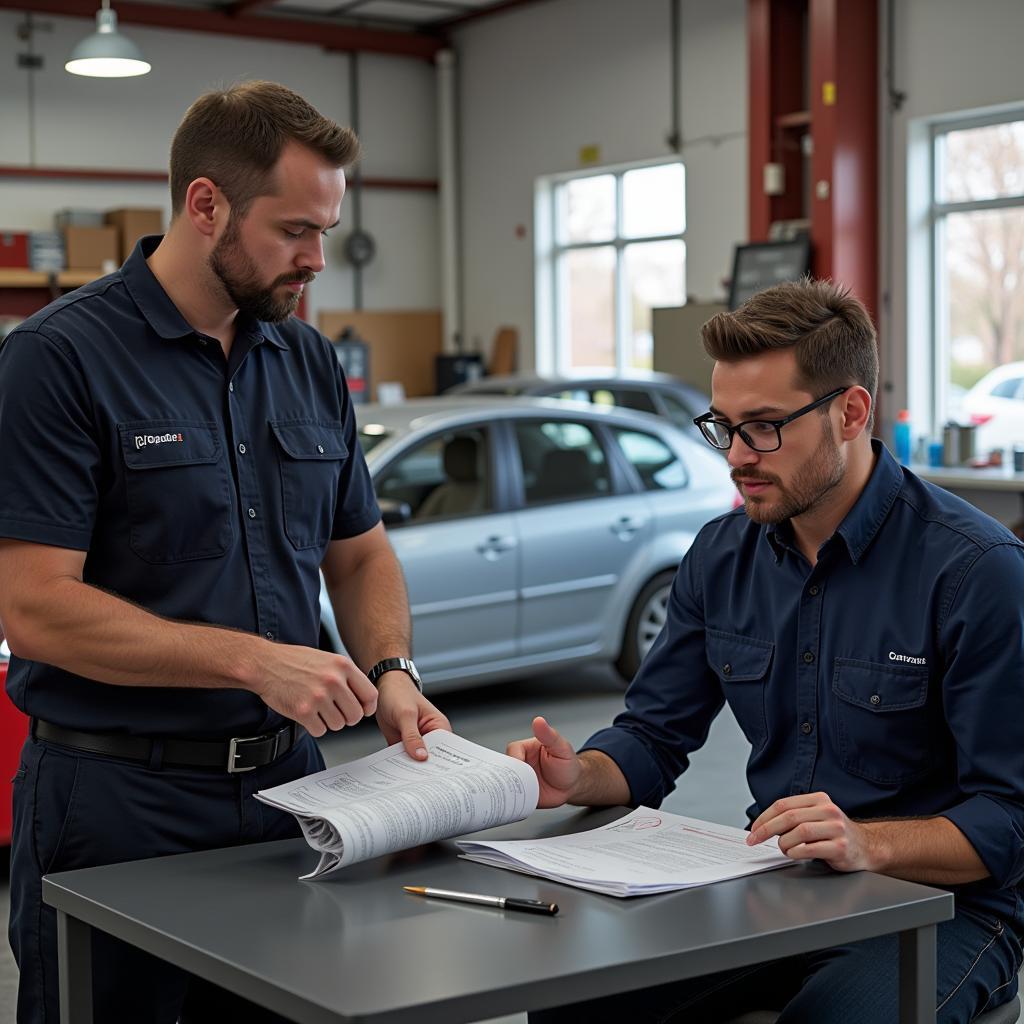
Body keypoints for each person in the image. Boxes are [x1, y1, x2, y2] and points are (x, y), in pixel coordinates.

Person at [0, 80, 450, 1024]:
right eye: (294, 231)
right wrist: (251, 660)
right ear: (206, 206)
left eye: (326, 231)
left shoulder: (307, 359)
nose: (317, 260)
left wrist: (394, 671)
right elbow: (33, 606)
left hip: (291, 793)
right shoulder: (57, 360)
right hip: (119, 801)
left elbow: (359, 554)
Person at [508, 279, 1024, 1024]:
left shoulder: (975, 570)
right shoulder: (721, 557)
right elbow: (654, 736)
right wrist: (577, 775)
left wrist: (868, 843)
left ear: (851, 413)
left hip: (950, 911)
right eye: (724, 426)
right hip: (780, 885)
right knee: (573, 998)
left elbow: (1009, 820)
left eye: (766, 428)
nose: (738, 457)